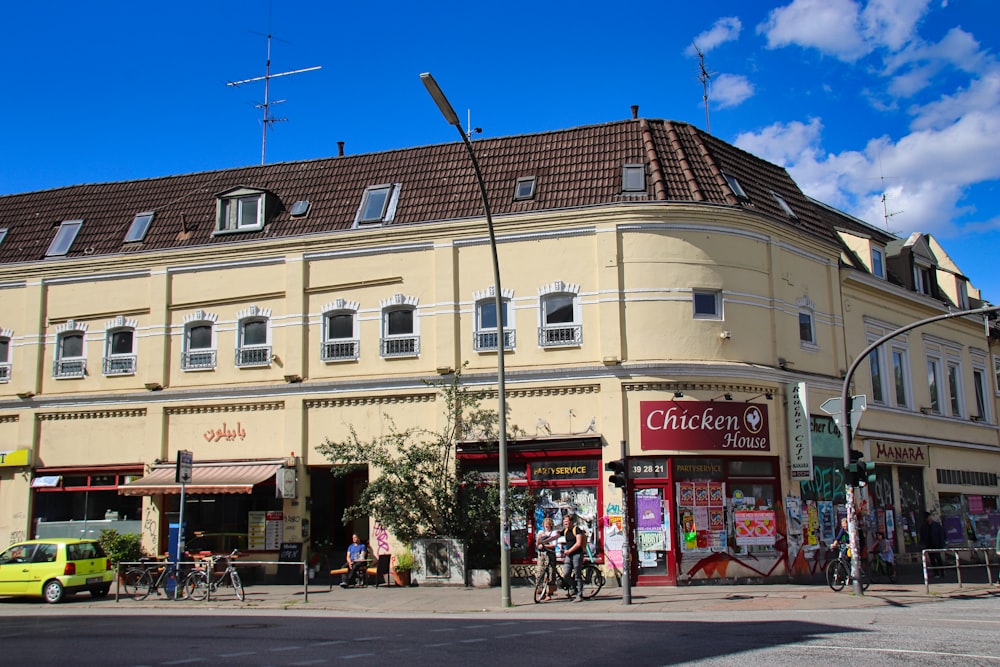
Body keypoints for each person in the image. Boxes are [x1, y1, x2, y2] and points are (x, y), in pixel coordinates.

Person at [560, 514, 586, 602]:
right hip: (569, 555)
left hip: (577, 554)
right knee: (566, 574)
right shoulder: (566, 530)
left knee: (577, 575)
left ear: (571, 522)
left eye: (567, 522)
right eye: (564, 522)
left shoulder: (577, 530)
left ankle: (579, 595)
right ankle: (574, 588)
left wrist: (569, 551)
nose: (565, 524)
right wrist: (543, 541)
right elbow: (556, 536)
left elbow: (578, 543)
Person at [535, 517, 559, 601]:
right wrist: (539, 539)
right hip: (542, 554)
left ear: (551, 525)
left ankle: (549, 593)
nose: (546, 526)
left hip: (550, 554)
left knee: (551, 573)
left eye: (548, 524)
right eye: (545, 524)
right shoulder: (541, 532)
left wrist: (544, 545)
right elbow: (537, 544)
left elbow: (553, 545)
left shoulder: (553, 533)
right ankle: (541, 591)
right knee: (539, 572)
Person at [918, 511, 945, 578]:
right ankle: (936, 573)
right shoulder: (924, 526)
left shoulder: (936, 525)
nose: (929, 519)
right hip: (929, 544)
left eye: (929, 517)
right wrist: (922, 544)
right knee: (932, 559)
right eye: (927, 518)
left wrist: (942, 544)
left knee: (938, 558)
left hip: (936, 544)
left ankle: (942, 572)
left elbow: (941, 535)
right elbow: (922, 536)